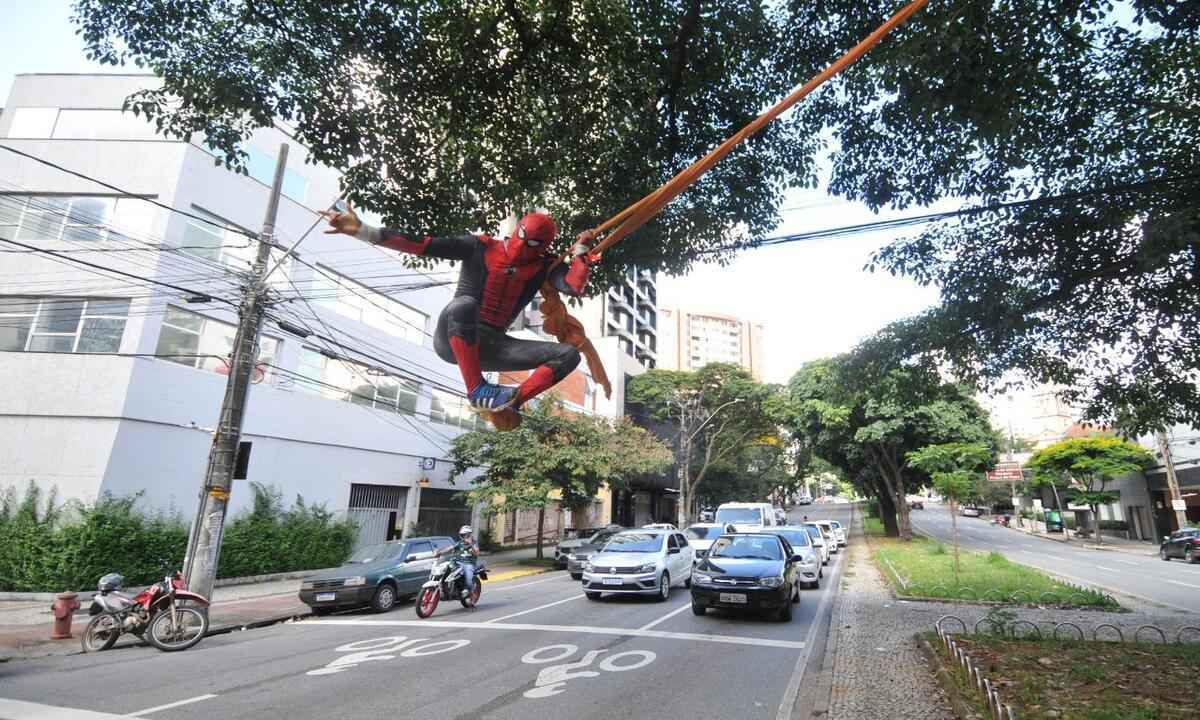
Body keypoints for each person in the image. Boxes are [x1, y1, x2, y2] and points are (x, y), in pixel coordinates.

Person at [322, 203, 600, 416]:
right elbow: (421, 244)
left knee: (567, 355)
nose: (521, 248)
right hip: (454, 334)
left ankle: (512, 402)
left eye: (532, 245)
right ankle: (477, 389)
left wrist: (580, 253)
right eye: (521, 237)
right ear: (516, 230)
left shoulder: (543, 265)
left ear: (543, 247)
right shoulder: (479, 246)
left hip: (493, 345)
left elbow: (573, 286)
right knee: (465, 305)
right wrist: (362, 230)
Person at [453, 525, 479, 599]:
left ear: (469, 534)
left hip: (469, 564)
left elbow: (477, 553)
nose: (465, 536)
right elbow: (450, 548)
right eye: (463, 535)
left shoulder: (474, 543)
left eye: (466, 535)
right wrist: (439, 552)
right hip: (458, 562)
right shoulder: (460, 543)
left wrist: (471, 545)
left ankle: (471, 593)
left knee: (468, 579)